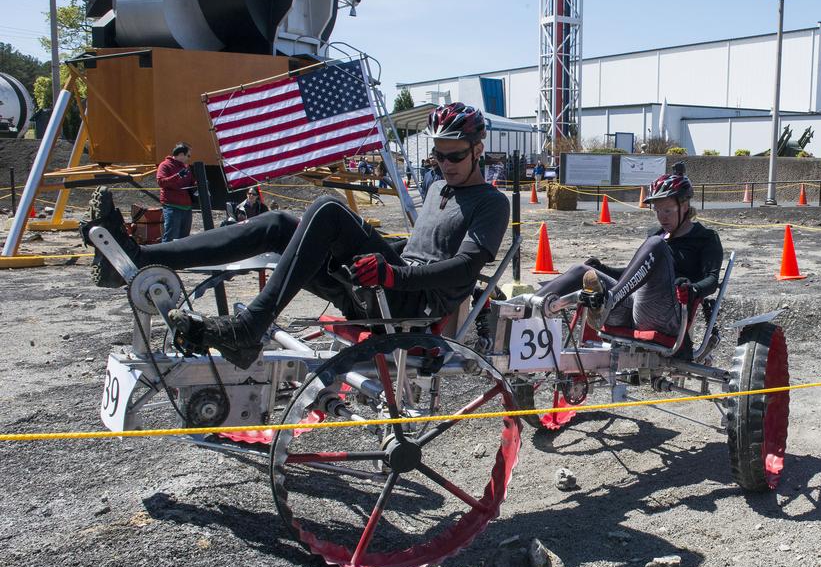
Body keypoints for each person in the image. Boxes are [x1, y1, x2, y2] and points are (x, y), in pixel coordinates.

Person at [80, 102, 510, 369]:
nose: (444, 163)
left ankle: (249, 327)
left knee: (327, 209)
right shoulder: (438, 187)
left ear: (478, 149)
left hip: (413, 302)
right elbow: (418, 247)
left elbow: (466, 268)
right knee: (279, 223)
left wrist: (394, 274)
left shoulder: (492, 203)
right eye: (437, 155)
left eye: (454, 155)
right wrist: (379, 252)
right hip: (383, 287)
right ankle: (140, 258)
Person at [535, 173, 722, 340]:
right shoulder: (657, 234)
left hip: (667, 316)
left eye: (667, 210)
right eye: (657, 211)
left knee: (656, 245)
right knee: (581, 270)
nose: (662, 217)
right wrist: (603, 269)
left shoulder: (705, 238)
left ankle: (610, 299)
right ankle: (520, 310)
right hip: (631, 310)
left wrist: (693, 289)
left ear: (685, 206)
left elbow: (712, 280)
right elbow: (636, 275)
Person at [156, 143, 196, 242]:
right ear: (181, 154)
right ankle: (165, 257)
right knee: (170, 236)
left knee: (184, 238)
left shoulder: (186, 167)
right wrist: (178, 176)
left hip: (186, 207)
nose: (189, 158)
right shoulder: (165, 165)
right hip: (172, 206)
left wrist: (200, 183)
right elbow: (161, 182)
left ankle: (182, 257)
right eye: (188, 155)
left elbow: (191, 182)